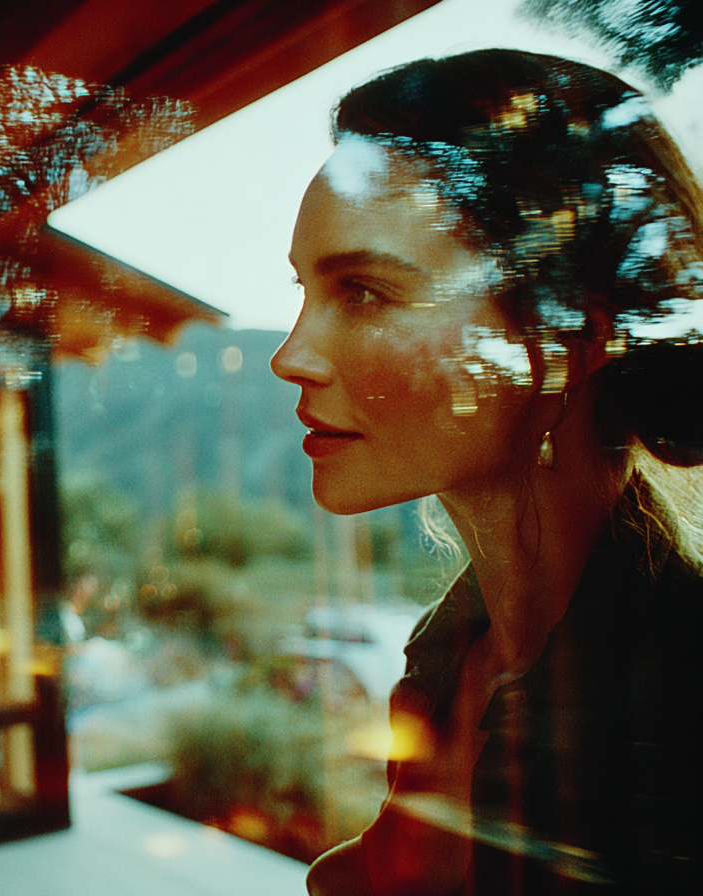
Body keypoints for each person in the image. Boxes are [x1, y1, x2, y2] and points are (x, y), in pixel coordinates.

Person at [271, 50, 701, 894]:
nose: (292, 356)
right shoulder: (450, 654)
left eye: (363, 291)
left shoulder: (681, 713)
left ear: (565, 343)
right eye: (303, 292)